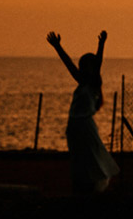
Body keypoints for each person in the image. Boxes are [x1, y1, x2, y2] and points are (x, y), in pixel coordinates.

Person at [47, 30, 119, 194]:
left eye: (87, 65)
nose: (83, 68)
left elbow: (98, 63)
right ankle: (81, 185)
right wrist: (58, 47)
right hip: (74, 125)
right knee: (78, 157)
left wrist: (101, 45)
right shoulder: (81, 81)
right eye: (82, 65)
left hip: (85, 125)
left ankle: (92, 184)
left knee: (91, 155)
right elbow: (68, 64)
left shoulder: (93, 82)